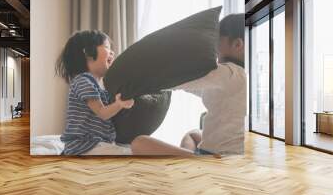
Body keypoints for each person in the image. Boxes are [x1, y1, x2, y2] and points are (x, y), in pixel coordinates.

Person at [131, 13, 246, 156]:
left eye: (218, 40)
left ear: (237, 44)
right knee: (193, 134)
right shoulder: (239, 77)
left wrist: (143, 79)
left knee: (139, 142)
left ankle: (193, 161)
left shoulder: (229, 72)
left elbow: (181, 77)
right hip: (229, 152)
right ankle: (189, 156)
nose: (214, 46)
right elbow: (202, 87)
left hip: (219, 157)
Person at [56, 30, 134, 155]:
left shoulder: (102, 84)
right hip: (84, 145)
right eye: (107, 47)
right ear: (89, 53)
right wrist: (120, 104)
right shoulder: (83, 80)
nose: (112, 52)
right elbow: (102, 113)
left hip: (98, 143)